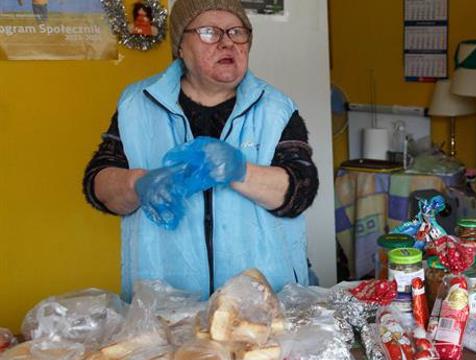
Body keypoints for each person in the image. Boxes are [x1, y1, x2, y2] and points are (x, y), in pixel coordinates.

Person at [82, 0, 319, 301]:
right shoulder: (137, 104)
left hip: (263, 301)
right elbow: (97, 182)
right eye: (209, 32)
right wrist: (136, 184)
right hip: (166, 300)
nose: (227, 43)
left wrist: (241, 171)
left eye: (237, 32)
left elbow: (302, 188)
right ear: (180, 46)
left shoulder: (275, 108)